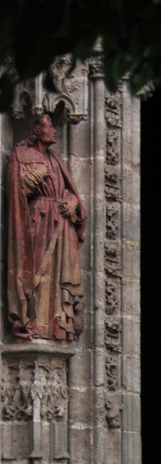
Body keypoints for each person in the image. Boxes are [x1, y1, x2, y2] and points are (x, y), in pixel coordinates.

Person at [7, 113, 86, 341]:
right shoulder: (21, 155)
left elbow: (71, 191)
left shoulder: (56, 159)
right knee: (38, 274)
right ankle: (36, 324)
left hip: (61, 225)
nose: (55, 131)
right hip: (37, 223)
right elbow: (15, 191)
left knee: (59, 276)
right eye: (50, 127)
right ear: (37, 130)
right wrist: (32, 179)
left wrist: (73, 202)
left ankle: (58, 326)